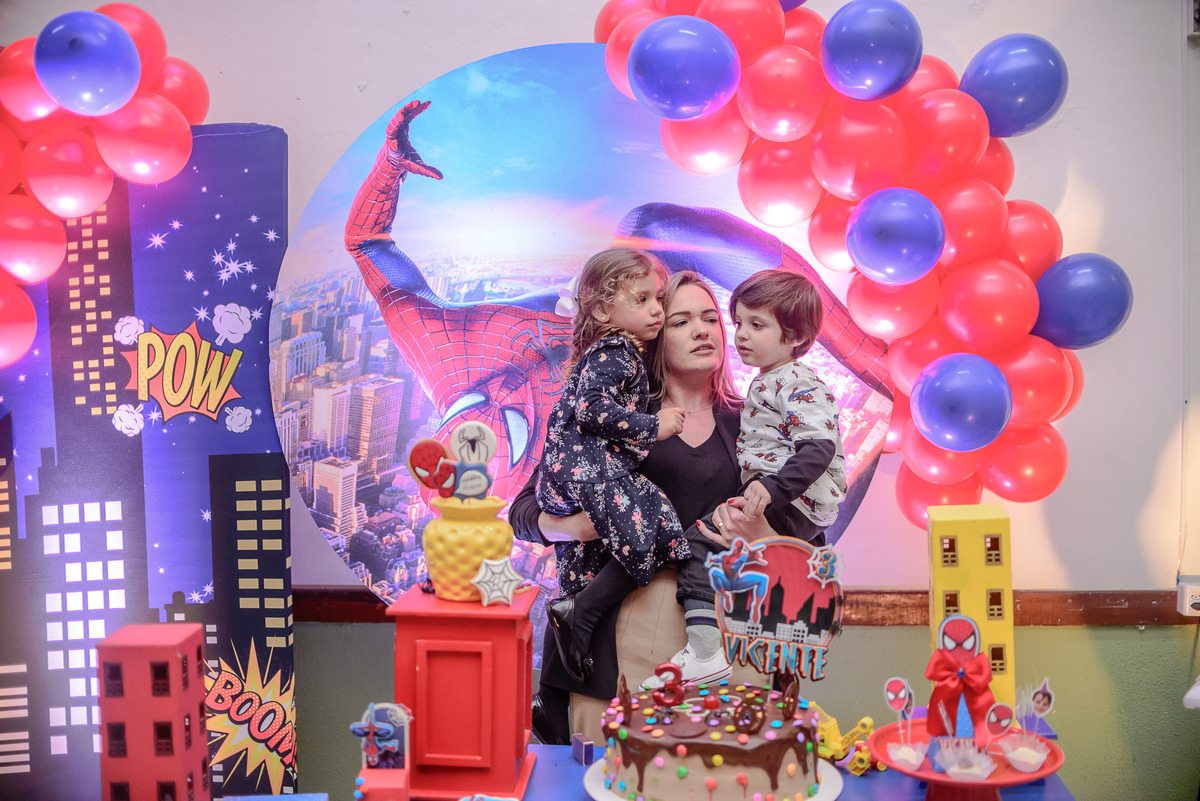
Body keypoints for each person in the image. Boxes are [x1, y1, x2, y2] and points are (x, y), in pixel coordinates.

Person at [511, 271, 775, 745]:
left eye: (710, 318)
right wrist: (575, 527)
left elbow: (803, 530)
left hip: (723, 628)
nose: (702, 331)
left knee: (719, 773)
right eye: (681, 321)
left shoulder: (753, 423)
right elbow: (524, 511)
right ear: (655, 334)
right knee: (612, 771)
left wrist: (761, 538)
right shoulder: (618, 417)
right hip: (618, 632)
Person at [648, 269, 848, 689]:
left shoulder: (787, 386)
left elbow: (818, 448)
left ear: (795, 336)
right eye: (738, 322)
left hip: (744, 620)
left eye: (711, 319)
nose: (737, 334)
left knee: (698, 541)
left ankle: (705, 651)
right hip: (641, 626)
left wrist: (766, 520)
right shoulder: (626, 420)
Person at [535, 247, 690, 684]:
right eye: (641, 299)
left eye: (658, 299)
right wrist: (653, 426)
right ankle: (580, 614)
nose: (656, 310)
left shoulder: (605, 352)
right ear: (602, 309)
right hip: (587, 470)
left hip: (571, 473)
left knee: (583, 567)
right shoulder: (617, 351)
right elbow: (591, 409)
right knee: (658, 521)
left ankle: (558, 676)